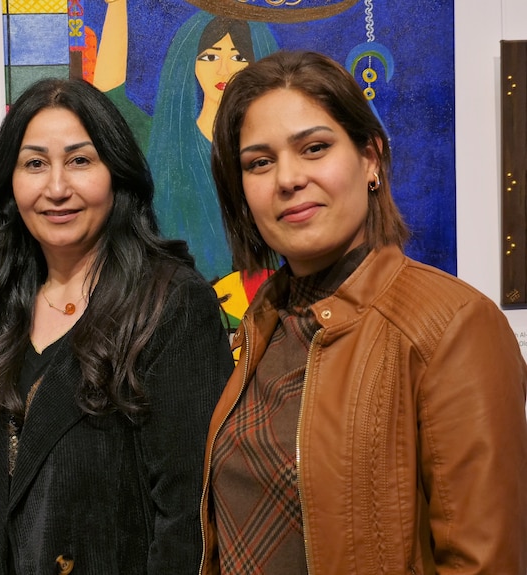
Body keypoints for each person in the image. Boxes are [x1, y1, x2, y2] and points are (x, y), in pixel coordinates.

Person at [200, 49, 527, 574]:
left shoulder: (453, 325)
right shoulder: (264, 323)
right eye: (259, 162)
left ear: (370, 159)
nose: (287, 178)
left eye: (314, 148)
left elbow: (484, 563)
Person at [0, 77, 233, 574]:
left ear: (116, 173)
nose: (57, 188)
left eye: (80, 160)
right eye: (35, 163)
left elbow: (190, 516)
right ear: (9, 184)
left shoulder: (170, 304)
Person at [94, 2, 278, 327]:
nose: (223, 69)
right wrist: (118, 6)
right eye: (210, 56)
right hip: (176, 322)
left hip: (262, 319)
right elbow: (109, 96)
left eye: (238, 57)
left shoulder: (276, 154)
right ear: (190, 62)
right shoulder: (163, 143)